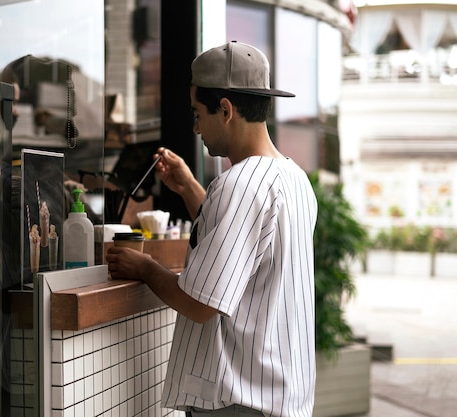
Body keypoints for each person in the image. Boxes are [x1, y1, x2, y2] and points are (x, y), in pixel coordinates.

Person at [106, 41, 318, 417]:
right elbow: (242, 242)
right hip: (281, 396)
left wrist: (144, 268)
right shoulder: (293, 178)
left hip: (242, 402)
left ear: (226, 109)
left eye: (197, 112)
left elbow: (201, 303)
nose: (195, 126)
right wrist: (189, 188)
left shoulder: (239, 184)